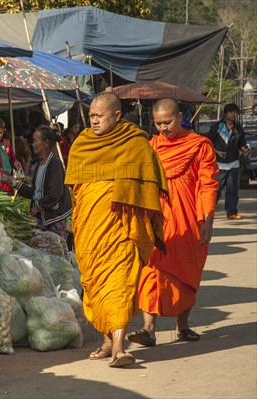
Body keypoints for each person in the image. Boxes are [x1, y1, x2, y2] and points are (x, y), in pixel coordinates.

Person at [64, 92, 168, 368]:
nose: (94, 121)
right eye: (91, 116)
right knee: (95, 285)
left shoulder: (135, 143)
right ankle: (107, 340)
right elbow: (76, 191)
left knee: (119, 284)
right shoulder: (82, 144)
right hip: (90, 229)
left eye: (99, 116)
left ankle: (119, 348)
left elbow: (149, 185)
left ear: (117, 116)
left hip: (123, 228)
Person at [127, 99, 218, 346]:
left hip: (189, 220)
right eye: (158, 123)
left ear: (180, 116)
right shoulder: (150, 147)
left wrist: (208, 219)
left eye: (168, 122)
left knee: (187, 273)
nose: (163, 128)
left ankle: (183, 325)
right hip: (157, 220)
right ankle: (148, 329)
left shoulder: (199, 146)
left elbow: (208, 184)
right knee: (150, 271)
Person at [1, 126, 72, 240]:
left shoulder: (55, 164)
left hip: (53, 219)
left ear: (45, 143)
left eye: (35, 140)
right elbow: (34, 193)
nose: (32, 144)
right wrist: (14, 183)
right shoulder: (39, 164)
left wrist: (38, 207)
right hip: (43, 219)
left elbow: (54, 193)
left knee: (56, 252)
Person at [205, 103, 249, 219]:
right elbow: (207, 142)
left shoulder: (238, 128)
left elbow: (241, 143)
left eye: (235, 112)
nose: (233, 114)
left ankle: (231, 212)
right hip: (219, 164)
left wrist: (244, 148)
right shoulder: (217, 127)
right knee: (216, 189)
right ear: (225, 113)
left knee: (232, 189)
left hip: (234, 163)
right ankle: (209, 212)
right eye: (231, 112)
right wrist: (216, 152)